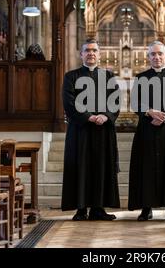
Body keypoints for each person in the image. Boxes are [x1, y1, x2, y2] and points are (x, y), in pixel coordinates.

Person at [128, 40, 165, 222]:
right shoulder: (141, 78)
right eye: (153, 54)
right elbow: (135, 103)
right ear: (148, 57)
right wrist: (149, 112)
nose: (156, 57)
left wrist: (164, 117)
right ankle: (146, 208)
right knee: (146, 169)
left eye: (160, 54)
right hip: (147, 129)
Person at [61, 39, 121, 221]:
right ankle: (80, 209)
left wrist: (106, 116)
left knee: (101, 168)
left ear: (99, 54)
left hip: (103, 131)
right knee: (80, 167)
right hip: (80, 130)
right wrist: (89, 117)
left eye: (94, 50)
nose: (91, 53)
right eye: (87, 50)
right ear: (81, 54)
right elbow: (68, 101)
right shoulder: (71, 77)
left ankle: (98, 208)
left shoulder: (109, 77)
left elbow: (116, 101)